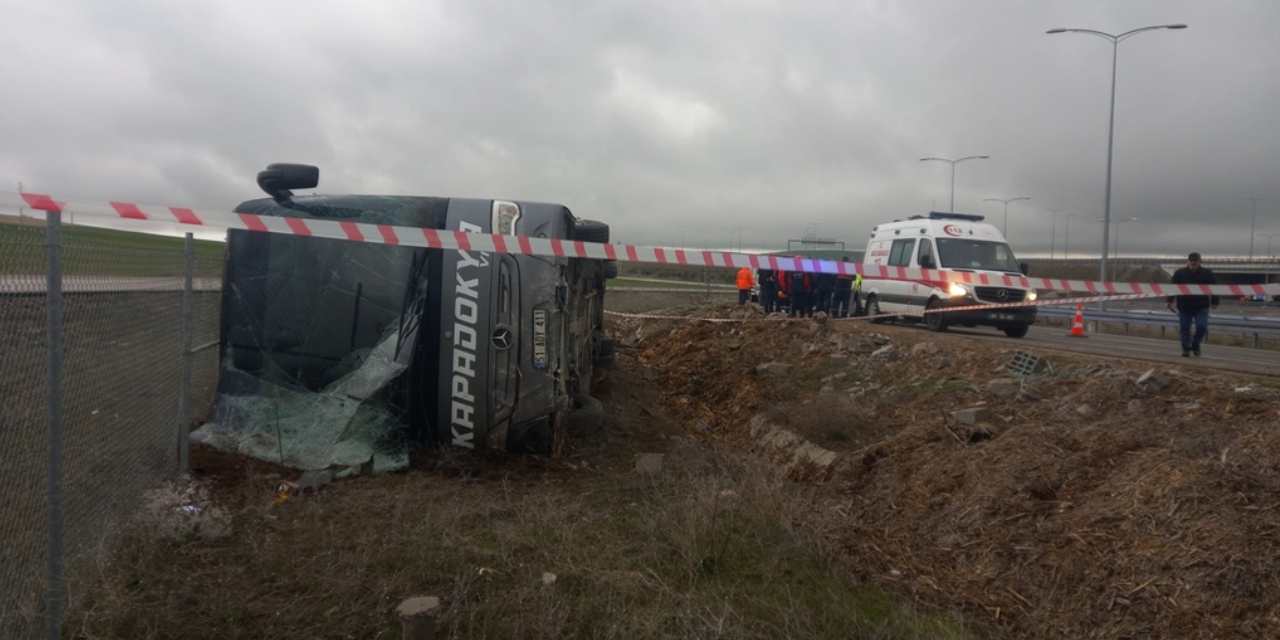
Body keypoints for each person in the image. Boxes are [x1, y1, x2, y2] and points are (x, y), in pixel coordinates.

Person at [1166, 252, 1219, 357]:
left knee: (1202, 327)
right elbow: (1173, 288)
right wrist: (1169, 301)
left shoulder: (1208, 273)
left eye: (1196, 261)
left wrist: (1214, 302)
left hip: (1202, 306)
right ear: (1188, 261)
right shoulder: (1179, 273)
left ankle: (1195, 344)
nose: (1193, 263)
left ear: (1200, 261)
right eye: (1191, 261)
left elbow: (1214, 289)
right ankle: (1185, 348)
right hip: (1185, 306)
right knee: (1184, 328)